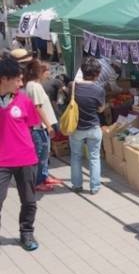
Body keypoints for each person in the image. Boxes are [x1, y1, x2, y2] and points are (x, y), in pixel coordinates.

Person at [0, 56, 41, 251]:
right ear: (4, 79)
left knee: (29, 201)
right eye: (17, 80)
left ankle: (27, 233)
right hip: (2, 161)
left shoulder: (24, 100)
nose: (21, 83)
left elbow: (32, 126)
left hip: (25, 158)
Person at [70, 57, 106, 194]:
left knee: (76, 157)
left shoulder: (73, 87)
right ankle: (94, 187)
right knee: (94, 157)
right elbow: (100, 109)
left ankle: (77, 185)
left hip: (77, 128)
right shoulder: (99, 90)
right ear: (97, 73)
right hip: (93, 127)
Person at [24, 60, 61, 191]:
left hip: (40, 126)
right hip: (39, 127)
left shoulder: (33, 85)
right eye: (47, 71)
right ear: (39, 72)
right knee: (40, 154)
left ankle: (44, 177)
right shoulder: (34, 86)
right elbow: (37, 107)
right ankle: (38, 182)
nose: (49, 73)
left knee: (45, 154)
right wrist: (48, 125)